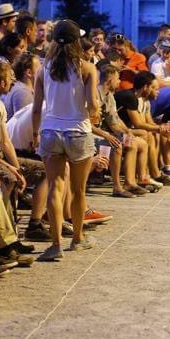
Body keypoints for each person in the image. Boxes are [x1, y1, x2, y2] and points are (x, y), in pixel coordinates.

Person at [32, 20, 100, 261]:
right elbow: (92, 105)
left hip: (50, 130)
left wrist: (35, 133)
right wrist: (96, 111)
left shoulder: (43, 68)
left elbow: (37, 108)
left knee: (55, 187)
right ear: (77, 42)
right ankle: (78, 238)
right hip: (78, 131)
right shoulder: (87, 68)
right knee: (78, 190)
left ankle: (56, 243)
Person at [3, 53, 38, 119]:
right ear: (29, 73)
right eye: (39, 67)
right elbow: (24, 125)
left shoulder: (22, 89)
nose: (43, 71)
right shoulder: (22, 92)